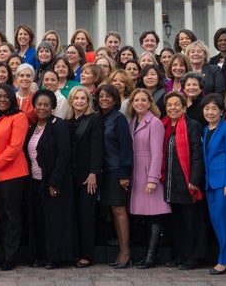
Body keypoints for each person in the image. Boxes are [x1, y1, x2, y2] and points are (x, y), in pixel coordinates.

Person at [23, 89, 75, 269]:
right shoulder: (32, 127)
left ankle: (55, 257)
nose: (42, 108)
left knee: (55, 221)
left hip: (53, 181)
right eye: (39, 104)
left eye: (46, 105)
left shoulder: (59, 125)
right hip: (35, 181)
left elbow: (64, 154)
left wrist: (54, 181)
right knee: (39, 220)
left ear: (52, 107)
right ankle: (40, 256)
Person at [0, 85, 30, 271]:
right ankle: (5, 253)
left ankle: (11, 257)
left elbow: (15, 147)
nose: (2, 100)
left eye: (5, 96)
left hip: (13, 174)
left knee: (12, 216)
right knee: (0, 216)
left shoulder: (19, 117)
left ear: (12, 98)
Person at [161, 91, 206, 271]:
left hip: (187, 182)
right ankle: (179, 255)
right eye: (169, 105)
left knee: (191, 222)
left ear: (184, 107)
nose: (173, 108)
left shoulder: (192, 126)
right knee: (176, 222)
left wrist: (194, 179)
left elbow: (197, 155)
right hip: (170, 183)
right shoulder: (163, 125)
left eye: (176, 104)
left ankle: (193, 256)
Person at [127, 88, 170, 269]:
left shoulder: (155, 123)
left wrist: (153, 178)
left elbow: (157, 153)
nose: (140, 103)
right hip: (136, 172)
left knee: (155, 215)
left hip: (149, 172)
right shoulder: (133, 121)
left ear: (150, 103)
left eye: (143, 100)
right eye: (136, 100)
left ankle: (152, 256)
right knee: (145, 215)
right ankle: (147, 254)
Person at [200, 93, 226, 275]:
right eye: (207, 108)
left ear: (222, 111)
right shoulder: (206, 130)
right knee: (216, 221)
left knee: (222, 221)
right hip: (210, 183)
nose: (210, 112)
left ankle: (224, 260)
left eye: (214, 108)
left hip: (224, 183)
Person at [66, 85, 103, 268]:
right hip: (70, 176)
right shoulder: (67, 121)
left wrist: (93, 173)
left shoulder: (94, 119)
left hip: (88, 176)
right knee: (72, 215)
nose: (79, 101)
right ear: (71, 101)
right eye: (76, 98)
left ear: (88, 101)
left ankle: (87, 255)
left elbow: (97, 147)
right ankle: (75, 252)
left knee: (86, 215)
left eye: (83, 98)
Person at [96, 85, 133, 269]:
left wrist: (124, 174)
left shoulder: (119, 119)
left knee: (119, 210)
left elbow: (126, 148)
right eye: (101, 96)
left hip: (116, 171)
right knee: (113, 211)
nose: (104, 99)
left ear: (115, 100)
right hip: (104, 171)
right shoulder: (99, 118)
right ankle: (121, 251)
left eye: (108, 96)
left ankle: (125, 252)